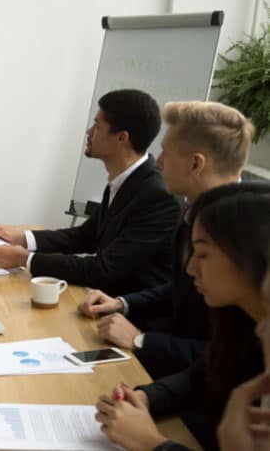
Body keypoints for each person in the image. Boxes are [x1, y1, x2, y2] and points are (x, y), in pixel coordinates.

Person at [78, 101, 253, 378]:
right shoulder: (194, 210)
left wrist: (141, 340)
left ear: (196, 164)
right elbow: (179, 288)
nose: (157, 162)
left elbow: (239, 359)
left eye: (166, 153)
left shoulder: (252, 238)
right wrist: (122, 303)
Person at [94, 182, 270, 451]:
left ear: (253, 257)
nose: (190, 268)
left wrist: (152, 444)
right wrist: (144, 397)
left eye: (203, 254)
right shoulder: (241, 322)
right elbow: (199, 375)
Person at [0, 89, 181, 296]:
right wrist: (23, 238)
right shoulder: (125, 179)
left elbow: (104, 269)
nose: (89, 132)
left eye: (97, 125)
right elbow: (84, 236)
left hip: (130, 316)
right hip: (101, 300)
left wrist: (24, 259)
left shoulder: (158, 196)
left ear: (122, 138)